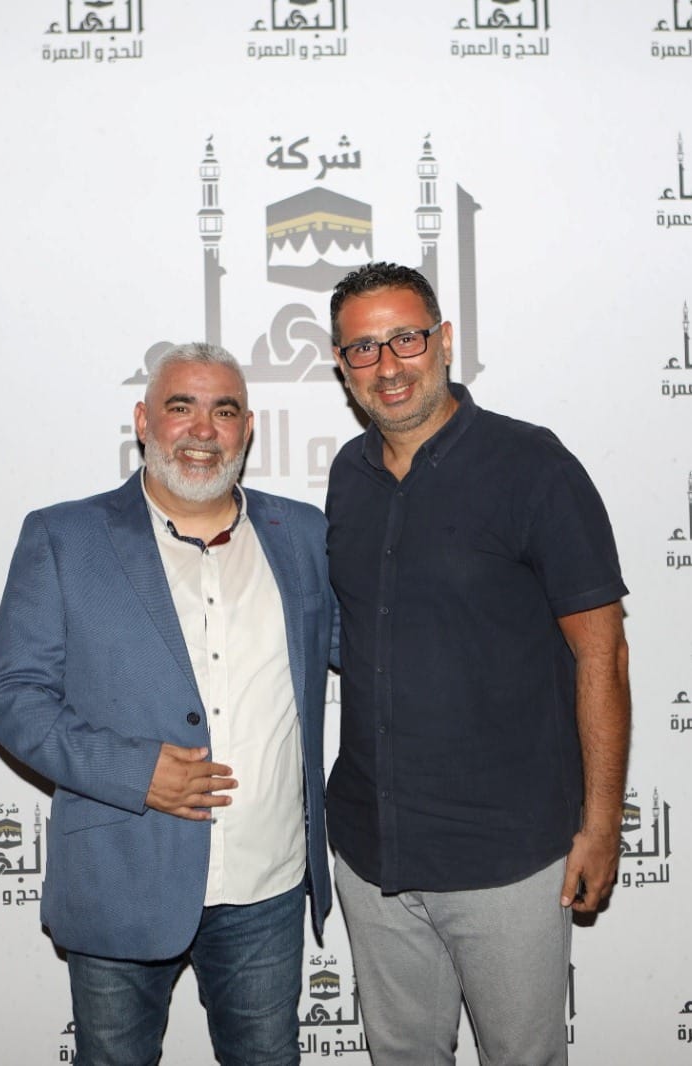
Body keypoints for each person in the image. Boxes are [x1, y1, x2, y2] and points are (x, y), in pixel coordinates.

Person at [0, 342, 336, 1066]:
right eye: (181, 407)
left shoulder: (303, 535)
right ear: (143, 421)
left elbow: (379, 649)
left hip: (267, 885)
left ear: (247, 429)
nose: (203, 430)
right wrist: (135, 772)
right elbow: (11, 697)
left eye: (224, 411)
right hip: (121, 876)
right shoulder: (64, 537)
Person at [324, 263, 630, 1066]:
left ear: (445, 341)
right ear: (341, 365)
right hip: (372, 853)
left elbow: (601, 654)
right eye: (363, 348)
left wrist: (601, 825)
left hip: (507, 859)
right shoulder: (348, 477)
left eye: (406, 338)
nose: (388, 365)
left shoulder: (533, 466)